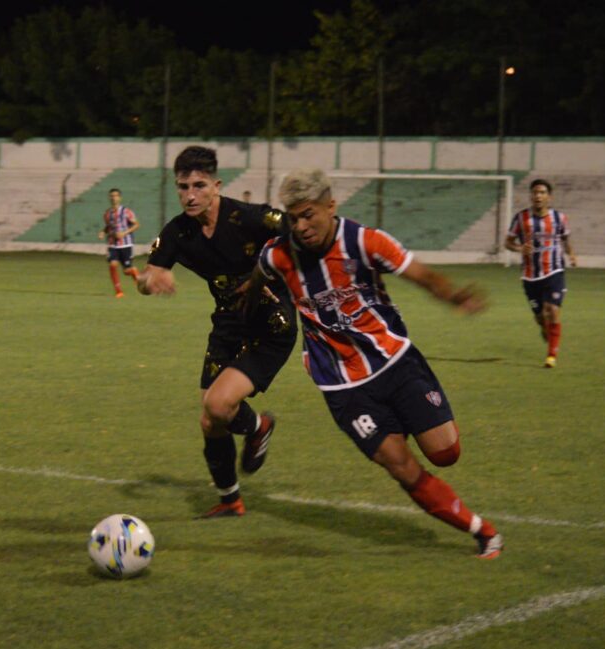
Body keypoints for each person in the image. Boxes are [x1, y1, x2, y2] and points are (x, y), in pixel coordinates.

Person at [248, 168, 503, 559]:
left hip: (395, 361)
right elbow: (256, 277)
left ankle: (409, 423)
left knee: (445, 453)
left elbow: (421, 275)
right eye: (293, 217)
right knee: (400, 465)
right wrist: (249, 307)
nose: (300, 225)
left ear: (330, 206)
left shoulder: (365, 242)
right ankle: (481, 531)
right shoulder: (277, 254)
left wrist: (453, 296)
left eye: (308, 214)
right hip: (342, 385)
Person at [138, 146, 296, 518]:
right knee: (210, 419)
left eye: (199, 185)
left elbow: (298, 229)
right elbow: (146, 280)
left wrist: (273, 272)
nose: (190, 195)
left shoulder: (249, 218)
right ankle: (231, 501)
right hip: (228, 324)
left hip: (271, 324)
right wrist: (151, 279)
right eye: (182, 186)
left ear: (216, 185)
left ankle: (259, 425)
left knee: (218, 404)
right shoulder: (178, 231)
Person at [504, 179, 577, 368]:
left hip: (554, 270)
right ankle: (546, 329)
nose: (538, 196)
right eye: (535, 192)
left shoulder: (560, 218)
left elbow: (566, 238)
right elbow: (508, 242)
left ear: (549, 197)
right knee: (539, 317)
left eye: (542, 192)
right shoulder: (521, 218)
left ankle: (551, 355)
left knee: (552, 310)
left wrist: (572, 255)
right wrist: (520, 248)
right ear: (531, 195)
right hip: (530, 276)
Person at [99, 188, 140, 298]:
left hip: (126, 244)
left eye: (116, 195)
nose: (114, 198)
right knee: (113, 265)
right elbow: (108, 227)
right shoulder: (107, 213)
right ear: (109, 198)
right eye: (111, 196)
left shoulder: (126, 211)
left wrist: (124, 233)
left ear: (120, 198)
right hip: (113, 244)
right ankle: (118, 291)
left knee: (127, 271)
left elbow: (136, 225)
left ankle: (134, 273)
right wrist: (103, 232)